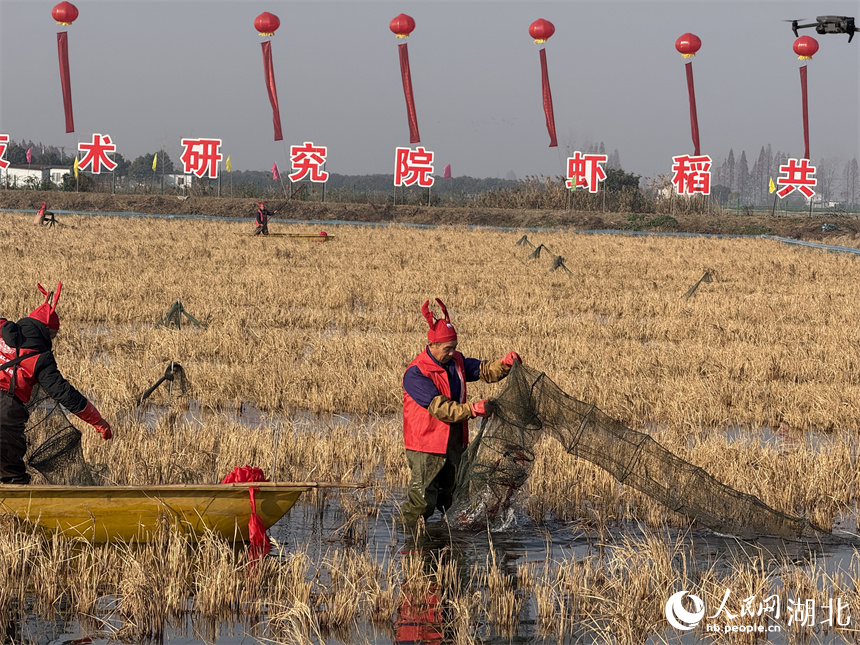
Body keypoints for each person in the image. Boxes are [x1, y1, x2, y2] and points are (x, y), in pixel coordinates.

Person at [400, 298, 521, 525]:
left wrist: (504, 364)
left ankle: (450, 549)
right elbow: (441, 408)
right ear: (432, 345)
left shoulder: (456, 361)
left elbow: (483, 370)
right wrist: (473, 409)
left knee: (453, 499)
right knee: (422, 503)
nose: (452, 352)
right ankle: (410, 544)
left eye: (454, 347)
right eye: (447, 348)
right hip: (426, 445)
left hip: (454, 443)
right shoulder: (416, 374)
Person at [0, 283, 112, 484]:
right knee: (13, 477)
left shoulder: (1, 326)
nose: (53, 340)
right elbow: (65, 394)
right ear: (46, 332)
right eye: (53, 335)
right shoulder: (40, 358)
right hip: (5, 413)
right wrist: (98, 421)